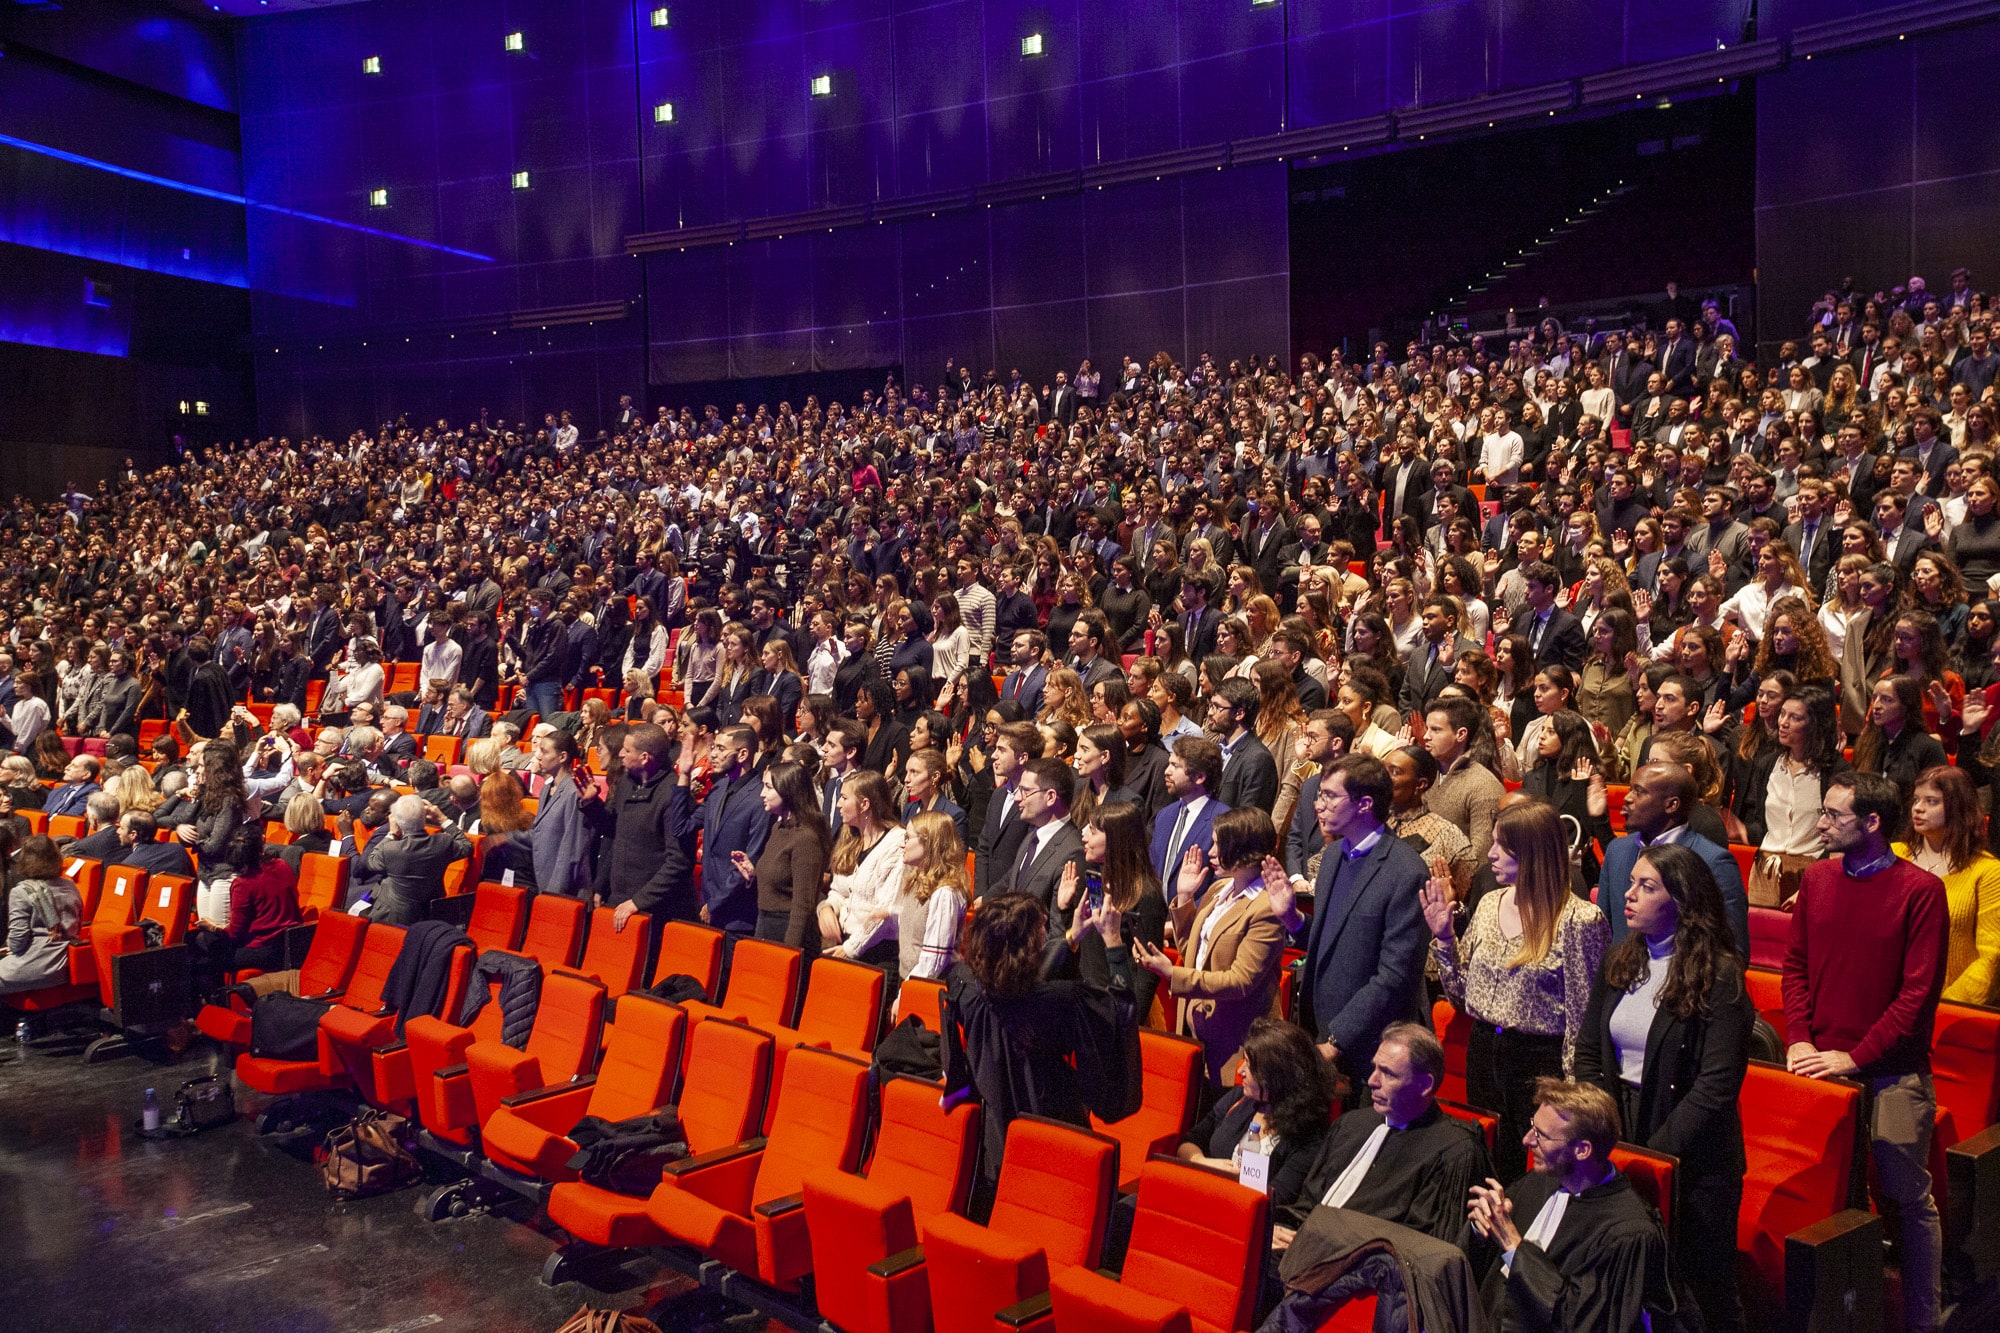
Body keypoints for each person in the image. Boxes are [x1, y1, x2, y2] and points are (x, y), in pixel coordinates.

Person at [1785, 771, 1948, 1333]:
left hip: (1890, 1072)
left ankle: (1925, 1318)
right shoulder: (1819, 879)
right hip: (1819, 1066)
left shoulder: (1921, 892)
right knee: (1826, 1203)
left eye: (1834, 815)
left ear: (1873, 823)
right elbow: (1796, 966)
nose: (1822, 823)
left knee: (1906, 1199)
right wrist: (1800, 1038)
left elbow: (1916, 996)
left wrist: (1854, 1057)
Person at [1574, 842, 1753, 1333]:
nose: (1627, 895)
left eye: (1645, 887)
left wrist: (1653, 1159)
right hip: (1621, 1125)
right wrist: (1603, 1131)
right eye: (1631, 882)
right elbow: (1590, 1053)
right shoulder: (1620, 959)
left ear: (1682, 902)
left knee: (1701, 1288)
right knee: (1629, 1279)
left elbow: (1715, 1088)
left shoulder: (1721, 977)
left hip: (1694, 1153)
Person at [1427, 801, 1610, 1179]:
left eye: (1501, 846)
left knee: (1528, 1173)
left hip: (1538, 1063)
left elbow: (1583, 1021)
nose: (1489, 854)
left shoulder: (1580, 920)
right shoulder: (1490, 903)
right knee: (1484, 1162)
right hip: (1484, 1050)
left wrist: (1573, 1095)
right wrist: (1444, 938)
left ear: (1532, 854)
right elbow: (1462, 998)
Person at [941, 891, 1139, 1188]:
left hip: (992, 1147)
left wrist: (1073, 935)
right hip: (1054, 1145)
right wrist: (1113, 943)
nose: (1044, 940)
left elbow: (1015, 985)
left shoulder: (963, 986)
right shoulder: (1062, 1003)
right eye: (1038, 940)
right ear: (1027, 952)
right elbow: (1119, 1012)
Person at [1273, 755, 1431, 1094]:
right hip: (1320, 1034)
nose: (1318, 805)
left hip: (1369, 1049)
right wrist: (1293, 919)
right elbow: (1334, 940)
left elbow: (1394, 976)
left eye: (1330, 796)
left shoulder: (1407, 872)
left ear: (1364, 804)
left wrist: (1337, 1039)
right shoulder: (1332, 857)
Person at [1466, 1079, 1676, 1333]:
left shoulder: (1627, 1234)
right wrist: (1482, 1227)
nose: (1526, 1140)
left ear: (1582, 1150)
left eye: (1541, 1135)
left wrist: (1513, 1245)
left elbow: (1584, 1322)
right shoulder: (1540, 1179)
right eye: (1533, 1127)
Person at [1272, 1022, 1494, 1247]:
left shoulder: (1454, 1153)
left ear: (1425, 1085)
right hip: (1304, 1248)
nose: (1372, 1081)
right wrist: (1280, 1230)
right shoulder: (1351, 1125)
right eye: (1374, 1068)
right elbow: (1307, 1205)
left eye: (1387, 1073)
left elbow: (1427, 1252)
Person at [1132, 807, 1286, 1083]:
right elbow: (1191, 950)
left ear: (1243, 849)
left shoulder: (1266, 907)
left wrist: (1171, 974)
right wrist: (1185, 896)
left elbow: (1241, 981)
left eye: (1219, 844)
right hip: (1195, 1028)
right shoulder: (1219, 889)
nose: (1211, 852)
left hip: (1235, 1041)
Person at [1599, 760, 1751, 956]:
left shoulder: (1713, 861)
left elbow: (1733, 951)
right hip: (1622, 981)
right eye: (1630, 789)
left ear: (1671, 805)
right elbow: (1602, 935)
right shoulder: (1617, 851)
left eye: (1639, 792)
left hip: (1683, 982)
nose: (1628, 798)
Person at [1178, 1017, 1336, 1201]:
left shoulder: (1308, 1135)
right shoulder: (1239, 1099)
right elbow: (1189, 1141)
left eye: (1249, 1065)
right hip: (1204, 1196)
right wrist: (1202, 1162)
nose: (1240, 1071)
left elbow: (1276, 1200)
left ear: (1275, 1076)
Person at [1732, 684, 1850, 908]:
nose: (1783, 722)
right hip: (1766, 869)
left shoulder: (1836, 771)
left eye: (1795, 717)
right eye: (1783, 714)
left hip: (1811, 871)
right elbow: (1766, 825)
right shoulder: (1768, 764)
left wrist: (1822, 872)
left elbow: (1840, 832)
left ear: (1815, 724)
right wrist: (1743, 831)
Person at [1895, 764, 2000, 1004]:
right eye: (1916, 800)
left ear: (1958, 808)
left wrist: (1945, 1005)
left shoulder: (1987, 872)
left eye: (1932, 801)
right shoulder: (1894, 857)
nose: (1918, 808)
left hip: (1948, 1003)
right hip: (1885, 1001)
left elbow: (1991, 957)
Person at [670, 722, 772, 937]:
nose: (713, 755)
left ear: (743, 754)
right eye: (713, 747)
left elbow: (749, 860)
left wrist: (714, 904)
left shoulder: (761, 798)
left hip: (739, 916)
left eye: (721, 749)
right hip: (709, 907)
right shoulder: (718, 789)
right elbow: (681, 827)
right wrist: (684, 775)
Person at [187, 824, 300, 999]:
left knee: (199, 954)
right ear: (261, 847)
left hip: (263, 950)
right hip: (288, 943)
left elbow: (234, 934)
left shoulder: (243, 884)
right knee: (201, 942)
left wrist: (213, 927)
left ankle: (216, 1004)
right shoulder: (282, 865)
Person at [730, 760, 829, 954]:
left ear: (787, 790)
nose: (762, 794)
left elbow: (803, 906)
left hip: (789, 934)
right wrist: (753, 874)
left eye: (768, 787)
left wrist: (788, 952)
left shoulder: (806, 838)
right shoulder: (779, 827)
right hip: (766, 925)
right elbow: (781, 883)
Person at [818, 770, 908, 977]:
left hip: (877, 955)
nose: (838, 804)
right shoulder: (851, 838)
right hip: (845, 944)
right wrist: (826, 907)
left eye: (844, 798)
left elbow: (885, 912)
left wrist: (851, 949)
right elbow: (839, 891)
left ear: (865, 804)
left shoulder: (896, 843)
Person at [352, 794, 473, 924]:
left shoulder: (390, 849)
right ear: (425, 818)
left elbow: (369, 862)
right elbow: (467, 846)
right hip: (430, 914)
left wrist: (391, 834)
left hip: (394, 917)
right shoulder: (442, 843)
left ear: (396, 821)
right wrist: (443, 819)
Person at [1423, 695, 1504, 864]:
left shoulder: (1484, 786)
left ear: (1460, 734)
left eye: (1436, 730)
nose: (1426, 736)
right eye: (1427, 729)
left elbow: (1480, 858)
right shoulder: (1426, 774)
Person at [995, 756, 1085, 905]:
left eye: (1025, 791)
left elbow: (1063, 924)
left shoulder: (1073, 852)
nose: (1017, 797)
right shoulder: (1032, 837)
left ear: (1050, 797)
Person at [896, 809, 970, 989]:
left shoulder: (945, 893)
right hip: (909, 979)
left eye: (908, 838)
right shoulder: (916, 879)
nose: (902, 845)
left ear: (929, 843)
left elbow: (934, 959)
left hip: (927, 987)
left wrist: (906, 992)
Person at [1208, 678, 1278, 811]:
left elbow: (1249, 817)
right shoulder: (1216, 749)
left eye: (1217, 707)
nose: (1210, 712)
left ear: (1239, 713)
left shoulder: (1258, 759)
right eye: (1211, 706)